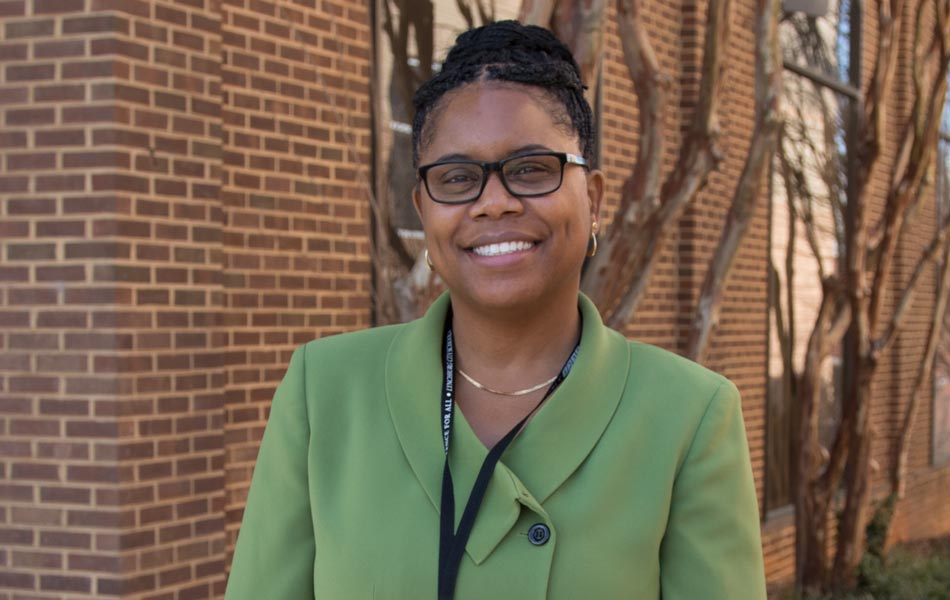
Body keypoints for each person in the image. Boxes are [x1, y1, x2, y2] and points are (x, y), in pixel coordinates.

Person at [225, 21, 765, 599]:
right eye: (457, 178)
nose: (494, 202)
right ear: (425, 212)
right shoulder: (323, 394)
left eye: (531, 169)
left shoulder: (689, 417)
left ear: (595, 201)